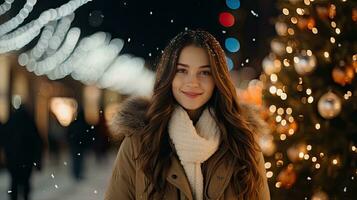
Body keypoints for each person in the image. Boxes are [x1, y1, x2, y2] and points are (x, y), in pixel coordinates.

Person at [105, 30, 270, 200]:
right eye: (182, 71)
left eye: (204, 72)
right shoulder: (139, 142)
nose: (193, 82)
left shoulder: (242, 143)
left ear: (217, 79)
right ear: (169, 75)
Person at [2, 105, 43, 200]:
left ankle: (14, 197)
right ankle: (25, 196)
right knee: (26, 181)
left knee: (14, 181)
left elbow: (4, 138)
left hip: (13, 158)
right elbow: (37, 142)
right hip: (27, 159)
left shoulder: (11, 122)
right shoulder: (29, 123)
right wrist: (38, 160)